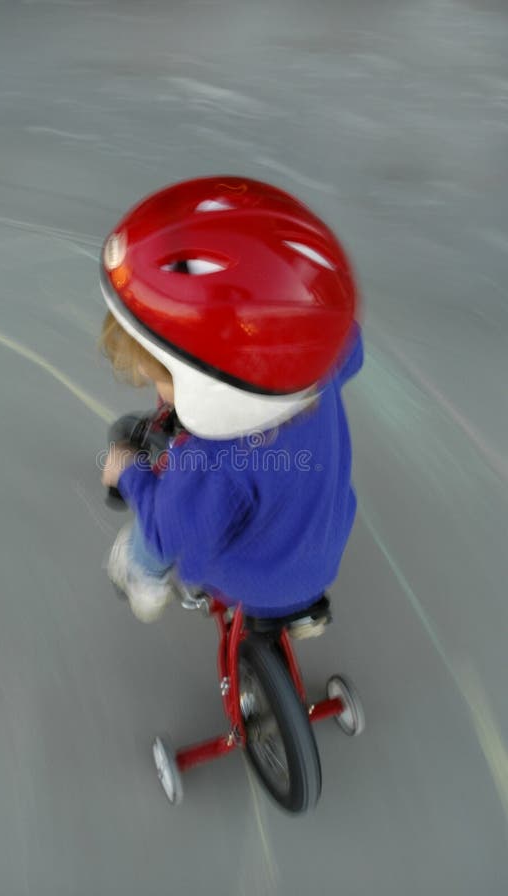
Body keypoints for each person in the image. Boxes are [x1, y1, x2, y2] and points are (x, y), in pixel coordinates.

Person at [99, 176, 363, 625]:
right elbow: (350, 349)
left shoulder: (210, 461)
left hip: (247, 578)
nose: (156, 390)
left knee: (152, 540)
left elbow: (168, 529)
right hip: (324, 543)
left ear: (213, 385)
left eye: (164, 379)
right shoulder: (317, 365)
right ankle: (301, 616)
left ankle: (143, 582)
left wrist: (130, 475)